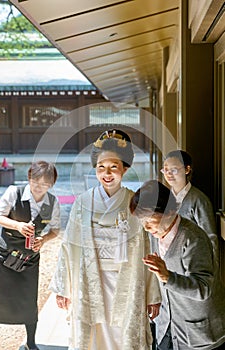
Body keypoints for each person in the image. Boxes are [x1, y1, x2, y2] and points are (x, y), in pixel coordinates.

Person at [50, 129, 161, 350]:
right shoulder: (83, 202)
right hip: (91, 281)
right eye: (101, 168)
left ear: (125, 169)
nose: (107, 173)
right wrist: (64, 288)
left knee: (125, 336)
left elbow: (148, 247)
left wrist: (152, 293)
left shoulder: (134, 202)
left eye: (113, 167)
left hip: (127, 282)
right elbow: (69, 246)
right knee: (93, 337)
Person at [130, 180, 225, 350]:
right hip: (168, 326)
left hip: (198, 334)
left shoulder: (193, 239)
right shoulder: (155, 234)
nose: (146, 227)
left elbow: (204, 288)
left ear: (169, 211)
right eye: (142, 222)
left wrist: (168, 276)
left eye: (149, 220)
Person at [0, 160, 60, 350]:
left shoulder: (52, 202)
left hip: (29, 258)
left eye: (46, 184)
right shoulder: (14, 192)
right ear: (29, 178)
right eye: (36, 182)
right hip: (4, 253)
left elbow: (55, 230)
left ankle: (31, 343)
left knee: (29, 300)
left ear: (51, 184)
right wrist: (18, 225)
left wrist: (44, 240)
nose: (40, 187)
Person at [160, 149, 219, 265]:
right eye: (166, 170)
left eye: (174, 170)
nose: (169, 174)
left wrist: (209, 272)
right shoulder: (164, 199)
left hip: (193, 263)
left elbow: (210, 238)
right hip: (169, 264)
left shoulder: (199, 200)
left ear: (187, 169)